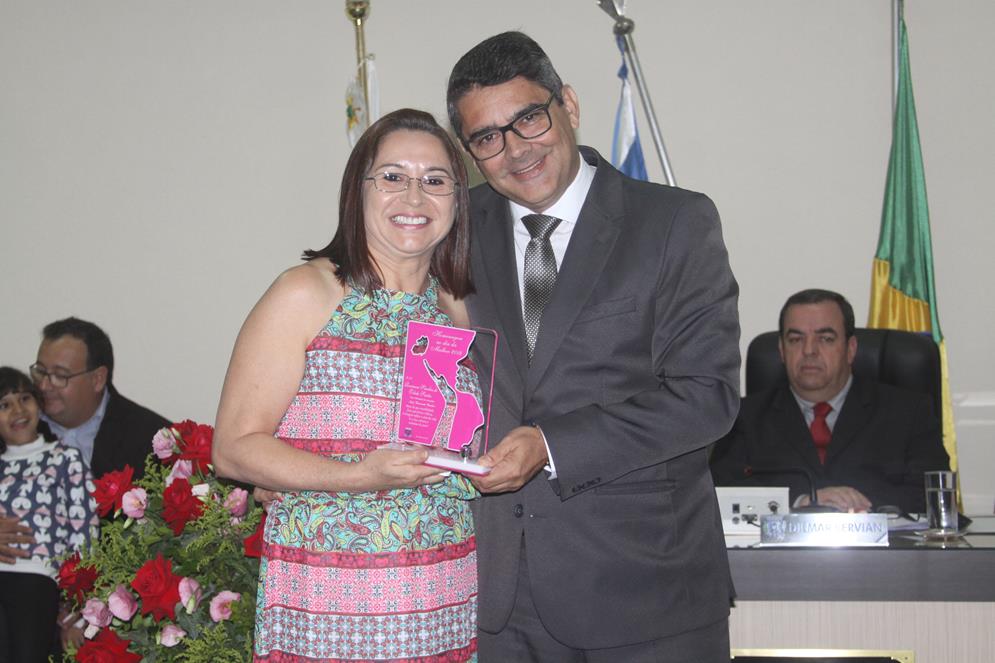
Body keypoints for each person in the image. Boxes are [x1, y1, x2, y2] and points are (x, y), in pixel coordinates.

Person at [446, 32, 740, 662]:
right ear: (469, 152)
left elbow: (706, 396)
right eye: (487, 137)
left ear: (569, 105)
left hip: (646, 591)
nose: (515, 149)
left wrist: (551, 444)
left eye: (529, 118)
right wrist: (324, 465)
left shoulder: (674, 223)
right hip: (497, 600)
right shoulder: (452, 230)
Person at [212, 109, 480, 662]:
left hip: (445, 597)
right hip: (331, 602)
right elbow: (234, 449)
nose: (414, 196)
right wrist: (359, 476)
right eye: (393, 176)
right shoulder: (306, 293)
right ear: (358, 189)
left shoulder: (460, 310)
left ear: (457, 200)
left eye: (435, 180)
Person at [710, 289, 949, 514]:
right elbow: (718, 493)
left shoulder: (908, 412)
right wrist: (801, 502)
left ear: (851, 349)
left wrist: (853, 504)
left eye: (825, 338)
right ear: (782, 350)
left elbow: (934, 497)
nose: (809, 350)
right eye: (795, 339)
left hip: (883, 544)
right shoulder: (743, 418)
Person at [0, 367, 99, 663]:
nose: (18, 410)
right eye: (4, 405)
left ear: (39, 404)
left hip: (36, 579)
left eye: (25, 399)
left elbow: (85, 535)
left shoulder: (65, 458)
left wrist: (76, 613)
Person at [30, 317, 170, 480]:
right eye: (40, 372)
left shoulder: (154, 441)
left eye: (60, 376)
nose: (43, 386)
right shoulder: (16, 428)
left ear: (97, 379)